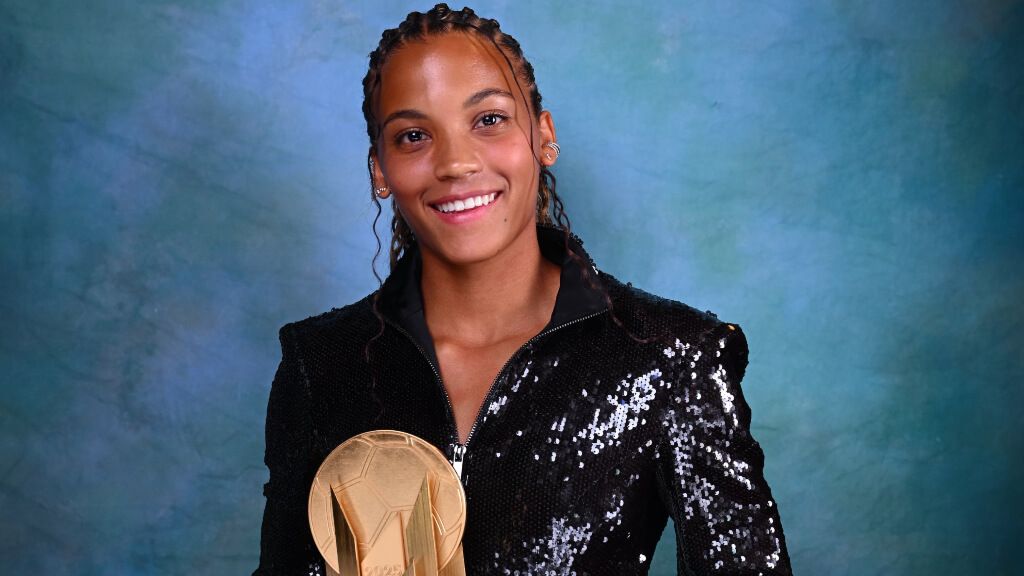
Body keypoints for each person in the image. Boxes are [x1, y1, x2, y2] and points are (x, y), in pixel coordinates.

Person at [255, 4, 791, 575]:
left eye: (489, 119)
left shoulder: (669, 356)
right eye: (413, 135)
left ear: (543, 136)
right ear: (380, 170)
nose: (456, 163)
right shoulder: (322, 363)